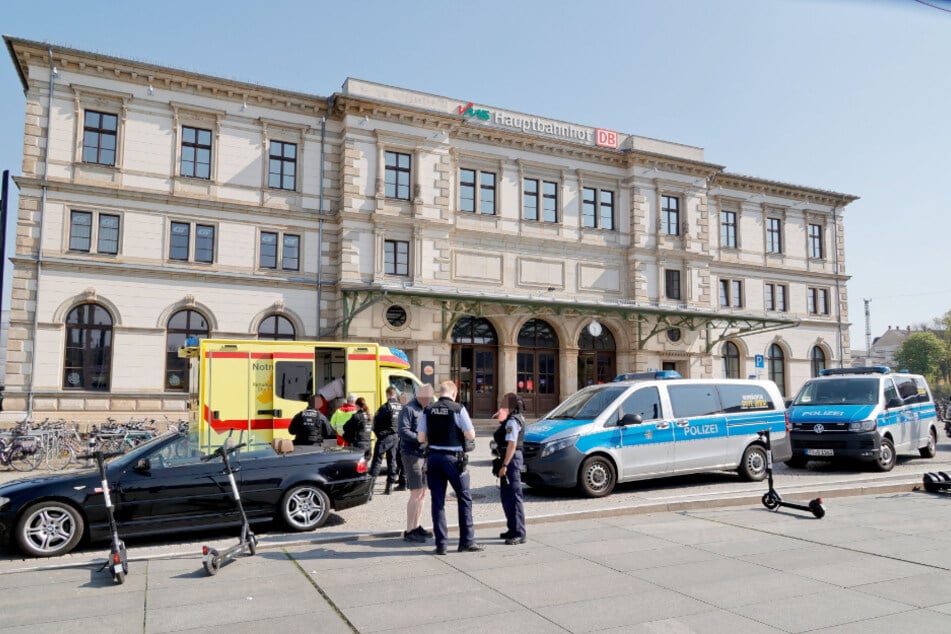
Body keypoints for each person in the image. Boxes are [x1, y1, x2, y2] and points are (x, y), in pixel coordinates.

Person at [417, 380, 483, 555]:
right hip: (453, 460)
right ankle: (466, 542)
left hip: (433, 458)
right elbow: (471, 434)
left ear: (440, 393)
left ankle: (441, 544)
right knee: (464, 498)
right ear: (454, 394)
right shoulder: (458, 408)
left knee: (437, 502)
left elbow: (420, 438)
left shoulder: (428, 409)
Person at [398, 383, 434, 542]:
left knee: (423, 492)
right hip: (411, 454)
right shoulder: (408, 409)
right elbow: (403, 431)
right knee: (416, 492)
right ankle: (409, 530)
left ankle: (417, 526)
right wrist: (421, 439)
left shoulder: (426, 408)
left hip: (424, 454)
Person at [493, 392, 526, 545]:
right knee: (506, 496)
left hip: (511, 460)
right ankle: (512, 528)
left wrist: (505, 465)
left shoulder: (513, 421)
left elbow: (512, 444)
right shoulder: (510, 419)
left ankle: (519, 532)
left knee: (514, 496)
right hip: (508, 458)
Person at [370, 386, 402, 495]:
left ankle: (370, 487)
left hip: (385, 437)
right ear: (395, 394)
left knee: (377, 461)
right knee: (392, 461)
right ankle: (389, 487)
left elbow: (375, 422)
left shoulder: (385, 407)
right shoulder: (400, 407)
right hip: (396, 437)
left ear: (387, 394)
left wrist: (379, 434)